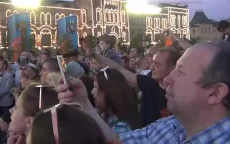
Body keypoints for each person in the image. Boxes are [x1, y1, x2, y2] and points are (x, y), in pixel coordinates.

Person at [59, 41, 230, 143]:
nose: (169, 79)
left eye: (181, 71)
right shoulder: (170, 126)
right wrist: (84, 103)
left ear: (215, 93)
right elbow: (116, 141)